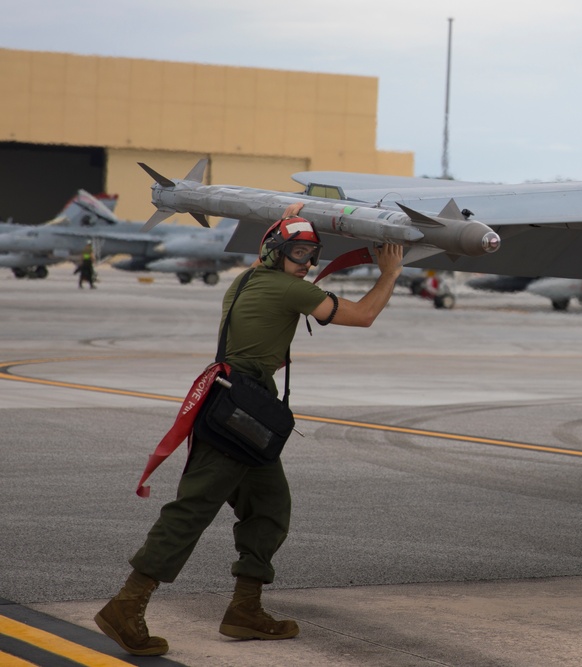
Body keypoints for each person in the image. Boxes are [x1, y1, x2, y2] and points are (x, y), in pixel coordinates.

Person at [94, 204, 404, 657]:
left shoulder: (247, 279)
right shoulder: (286, 289)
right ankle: (127, 604)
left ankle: (245, 611)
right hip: (241, 410)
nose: (308, 264)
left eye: (312, 255)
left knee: (270, 506)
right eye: (299, 253)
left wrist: (289, 216)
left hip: (237, 403)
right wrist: (390, 272)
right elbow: (363, 315)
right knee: (192, 510)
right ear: (277, 252)